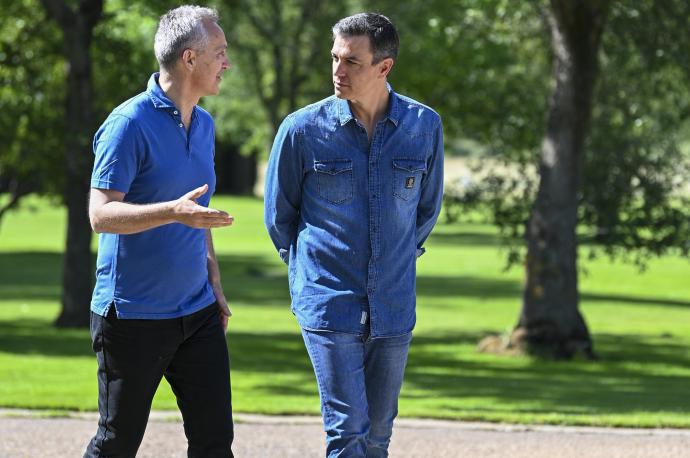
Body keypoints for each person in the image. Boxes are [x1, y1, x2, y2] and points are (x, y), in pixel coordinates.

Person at [264, 12, 444, 457]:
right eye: (335, 58)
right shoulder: (301, 130)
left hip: (393, 304)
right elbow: (279, 218)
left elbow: (425, 212)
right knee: (347, 430)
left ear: (384, 68)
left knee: (378, 434)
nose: (338, 71)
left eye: (352, 62)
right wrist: (314, 273)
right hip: (329, 303)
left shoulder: (424, 128)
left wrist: (391, 260)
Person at [84, 5, 234, 457]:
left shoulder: (204, 124)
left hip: (198, 311)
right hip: (132, 316)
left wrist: (214, 282)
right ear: (189, 59)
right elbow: (101, 215)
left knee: (214, 442)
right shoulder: (128, 124)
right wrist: (172, 211)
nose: (227, 62)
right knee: (117, 443)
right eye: (220, 52)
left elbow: (196, 212)